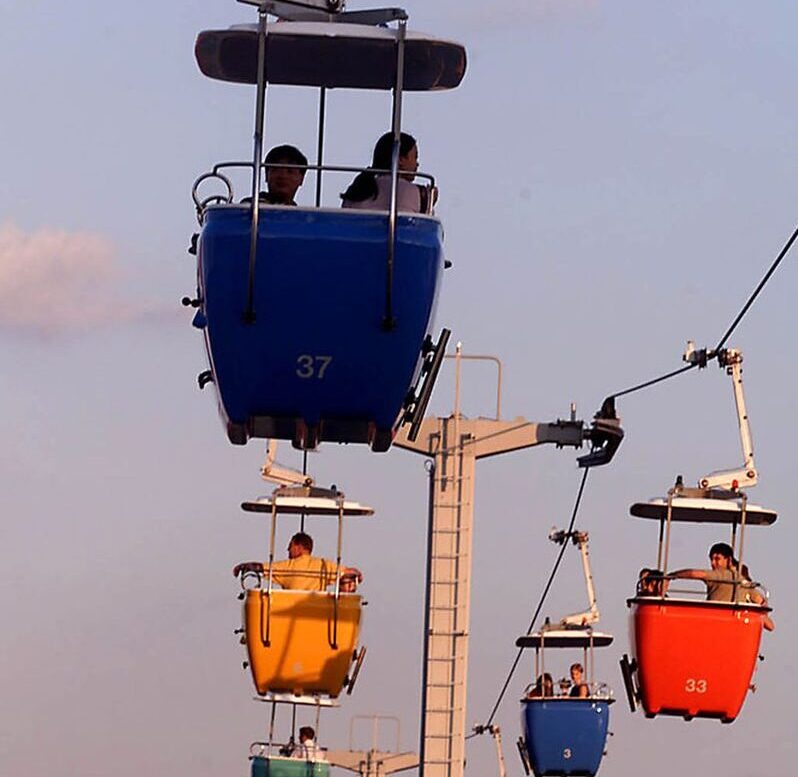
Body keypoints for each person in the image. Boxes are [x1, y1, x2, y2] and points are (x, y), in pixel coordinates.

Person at [233, 532, 363, 592]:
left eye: (290, 546)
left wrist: (243, 566)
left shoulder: (287, 566)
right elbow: (349, 572)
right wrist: (358, 574)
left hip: (289, 616)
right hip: (318, 615)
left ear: (298, 547)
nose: (287, 549)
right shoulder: (324, 565)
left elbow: (261, 567)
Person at [341, 131, 433, 213]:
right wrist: (429, 202)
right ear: (400, 160)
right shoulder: (411, 192)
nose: (417, 164)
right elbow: (419, 228)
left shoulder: (355, 189)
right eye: (415, 157)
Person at [670, 542, 740, 602]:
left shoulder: (719, 575)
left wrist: (672, 576)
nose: (713, 563)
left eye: (717, 559)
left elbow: (694, 573)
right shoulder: (743, 579)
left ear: (728, 560)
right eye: (711, 559)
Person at [242, 144, 307, 206]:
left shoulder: (304, 215)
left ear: (301, 179)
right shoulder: (249, 206)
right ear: (266, 175)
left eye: (290, 171)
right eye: (276, 169)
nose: (282, 176)